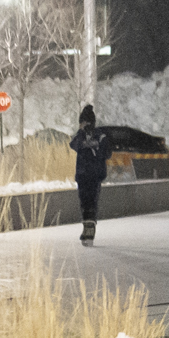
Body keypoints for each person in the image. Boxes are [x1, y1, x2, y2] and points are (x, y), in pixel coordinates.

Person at [70, 104, 114, 243]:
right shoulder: (80, 136)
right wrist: (82, 134)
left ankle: (90, 230)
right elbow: (73, 144)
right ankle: (86, 229)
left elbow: (107, 153)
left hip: (94, 175)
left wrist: (95, 145)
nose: (82, 125)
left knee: (91, 203)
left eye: (84, 123)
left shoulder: (100, 136)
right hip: (83, 175)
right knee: (84, 203)